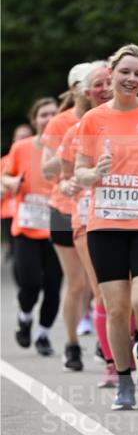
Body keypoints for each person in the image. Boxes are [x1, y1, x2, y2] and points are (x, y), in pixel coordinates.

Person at [75, 43, 138, 410]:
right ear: (112, 75)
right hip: (105, 224)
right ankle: (123, 378)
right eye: (125, 72)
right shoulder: (93, 119)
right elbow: (80, 170)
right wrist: (94, 173)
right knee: (117, 309)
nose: (131, 79)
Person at [60, 61, 119, 387]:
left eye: (109, 82)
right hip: (84, 214)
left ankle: (134, 343)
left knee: (137, 295)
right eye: (98, 84)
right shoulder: (70, 127)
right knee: (94, 290)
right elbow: (59, 175)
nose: (105, 88)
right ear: (81, 91)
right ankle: (109, 358)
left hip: (135, 216)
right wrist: (68, 184)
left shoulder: (137, 119)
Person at [41, 63, 94, 370]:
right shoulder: (60, 122)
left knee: (97, 283)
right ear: (75, 89)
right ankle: (72, 343)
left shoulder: (108, 118)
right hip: (64, 207)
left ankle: (107, 342)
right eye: (87, 85)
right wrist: (66, 165)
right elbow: (47, 168)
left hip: (98, 210)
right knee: (76, 283)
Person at [2, 97, 61, 355]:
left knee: (54, 285)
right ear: (34, 119)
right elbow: (4, 175)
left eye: (53, 114)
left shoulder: (66, 148)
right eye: (43, 114)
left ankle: (44, 334)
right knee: (30, 282)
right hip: (26, 224)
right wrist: (11, 181)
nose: (48, 119)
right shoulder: (22, 148)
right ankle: (25, 317)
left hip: (58, 221)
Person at [1, 123, 33, 261]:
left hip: (33, 211)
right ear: (14, 140)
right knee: (18, 253)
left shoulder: (39, 157)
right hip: (10, 212)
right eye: (20, 138)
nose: (23, 141)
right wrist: (11, 184)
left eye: (27, 137)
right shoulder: (4, 161)